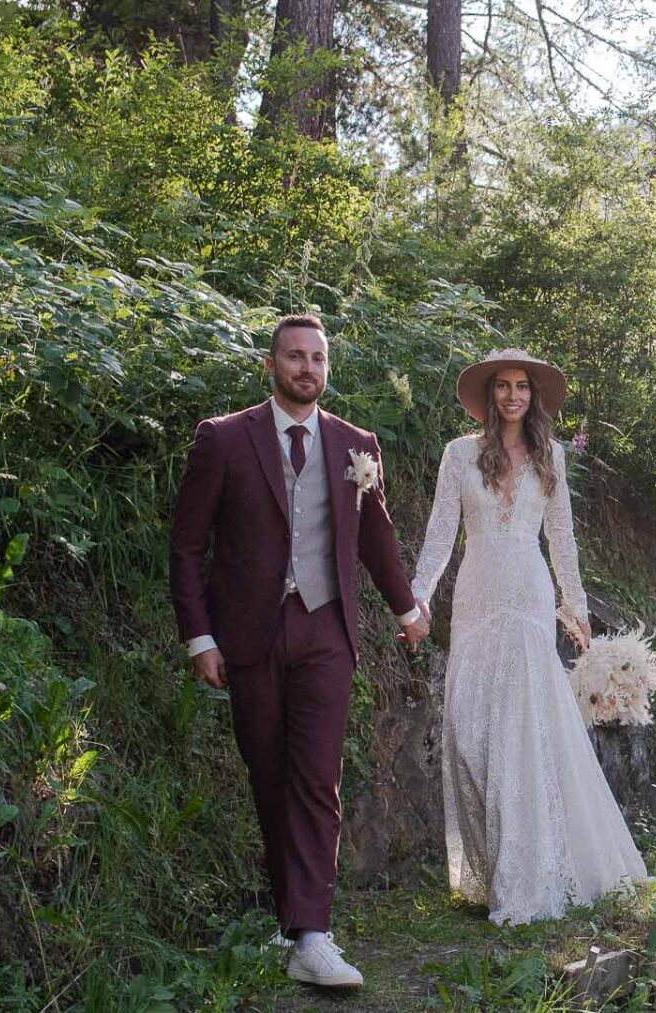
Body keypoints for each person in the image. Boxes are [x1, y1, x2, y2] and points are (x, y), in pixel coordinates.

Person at [169, 314, 429, 988]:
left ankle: (315, 933)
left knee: (317, 777)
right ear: (270, 365)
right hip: (248, 635)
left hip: (325, 633)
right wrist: (200, 635)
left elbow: (377, 538)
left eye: (317, 358)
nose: (307, 368)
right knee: (269, 774)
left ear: (327, 368)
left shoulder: (355, 444)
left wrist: (406, 607)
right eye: (294, 357)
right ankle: (291, 922)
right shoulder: (223, 440)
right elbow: (188, 544)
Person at [411, 348, 649, 926]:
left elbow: (562, 540)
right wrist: (417, 594)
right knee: (472, 727)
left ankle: (528, 876)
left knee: (525, 731)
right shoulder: (459, 454)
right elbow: (442, 533)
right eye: (503, 387)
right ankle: (493, 866)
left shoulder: (552, 458)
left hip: (529, 599)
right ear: (490, 396)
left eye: (522, 387)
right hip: (475, 599)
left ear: (533, 397)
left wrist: (577, 607)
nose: (513, 395)